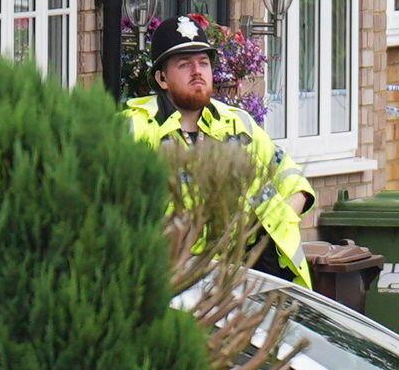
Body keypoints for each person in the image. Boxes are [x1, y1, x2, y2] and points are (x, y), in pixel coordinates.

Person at [125, 21, 313, 282]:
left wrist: (283, 217)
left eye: (203, 62)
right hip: (175, 279)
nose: (197, 71)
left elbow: (289, 173)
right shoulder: (136, 128)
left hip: (254, 273)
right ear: (162, 78)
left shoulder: (238, 123)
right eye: (184, 64)